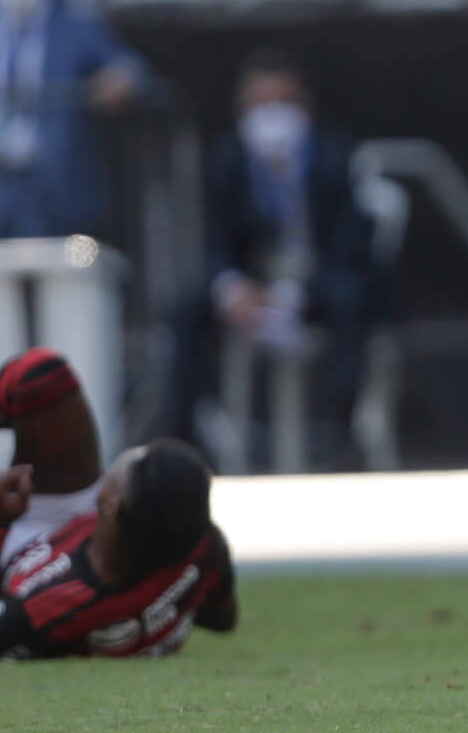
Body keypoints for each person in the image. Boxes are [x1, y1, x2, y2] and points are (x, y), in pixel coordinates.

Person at [157, 52, 375, 467]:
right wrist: (231, 287)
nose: (272, 116)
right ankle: (182, 442)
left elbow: (352, 245)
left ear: (303, 107)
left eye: (283, 102)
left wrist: (297, 295)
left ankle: (344, 435)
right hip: (251, 287)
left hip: (317, 286)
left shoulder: (335, 158)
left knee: (352, 299)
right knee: (187, 308)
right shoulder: (227, 160)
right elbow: (213, 238)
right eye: (260, 104)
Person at [0, 348, 238, 659]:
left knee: (40, 375)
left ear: (110, 504)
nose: (135, 451)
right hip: (87, 539)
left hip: (8, 564)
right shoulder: (201, 544)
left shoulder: (42, 605)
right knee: (42, 379)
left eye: (140, 459)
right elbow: (223, 620)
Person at [0, 0, 146, 239]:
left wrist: (117, 81)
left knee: (70, 265)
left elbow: (130, 69)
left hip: (53, 180)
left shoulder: (75, 24)